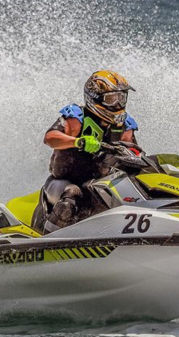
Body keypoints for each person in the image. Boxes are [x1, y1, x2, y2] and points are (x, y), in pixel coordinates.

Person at [41, 70, 140, 231]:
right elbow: (50, 138)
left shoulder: (125, 127)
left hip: (99, 185)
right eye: (112, 99)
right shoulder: (76, 117)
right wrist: (78, 141)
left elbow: (134, 152)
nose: (118, 104)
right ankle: (45, 242)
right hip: (64, 184)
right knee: (72, 194)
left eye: (121, 98)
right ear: (95, 97)